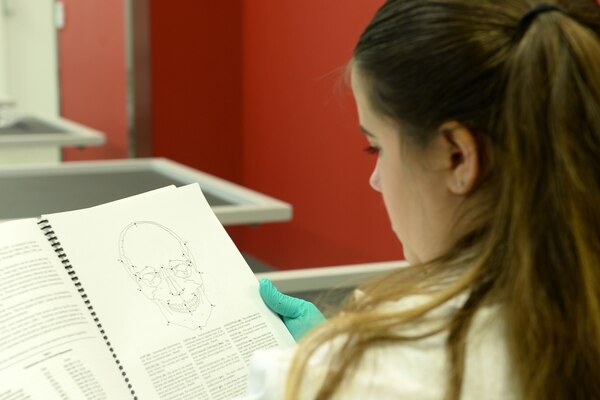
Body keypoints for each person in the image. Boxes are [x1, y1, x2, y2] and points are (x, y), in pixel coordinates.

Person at [243, 0, 600, 398]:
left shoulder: (327, 379)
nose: (376, 180)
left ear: (457, 157)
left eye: (375, 146)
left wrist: (329, 364)